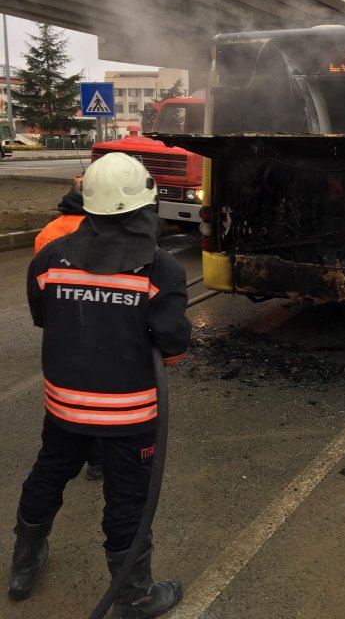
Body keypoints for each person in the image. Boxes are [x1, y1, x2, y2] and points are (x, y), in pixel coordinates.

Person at [8, 152, 191, 618]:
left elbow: (42, 317)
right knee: (128, 499)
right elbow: (172, 346)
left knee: (49, 473)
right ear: (145, 207)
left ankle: (23, 564)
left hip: (64, 406)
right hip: (129, 415)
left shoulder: (51, 256)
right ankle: (135, 596)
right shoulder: (160, 270)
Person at [33, 177, 105, 480]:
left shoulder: (48, 233)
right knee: (99, 396)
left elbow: (39, 286)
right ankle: (98, 460)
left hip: (61, 329)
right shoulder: (102, 231)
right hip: (101, 327)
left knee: (66, 399)